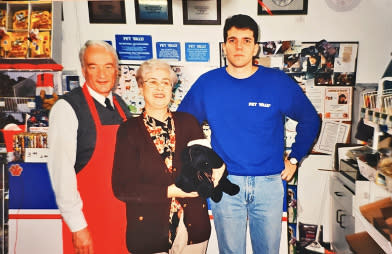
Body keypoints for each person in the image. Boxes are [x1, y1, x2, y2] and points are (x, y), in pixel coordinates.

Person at [178, 14, 321, 254]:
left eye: (246, 40)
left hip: (269, 185)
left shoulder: (276, 82)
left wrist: (295, 158)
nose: (239, 46)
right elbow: (183, 124)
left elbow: (310, 119)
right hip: (225, 183)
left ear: (255, 47)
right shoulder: (208, 84)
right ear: (224, 46)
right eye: (232, 40)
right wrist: (199, 163)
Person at [112, 59, 217, 254]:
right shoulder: (129, 131)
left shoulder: (189, 123)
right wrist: (170, 192)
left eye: (165, 82)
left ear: (172, 88)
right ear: (141, 87)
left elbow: (205, 166)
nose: (159, 88)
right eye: (152, 81)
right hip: (148, 232)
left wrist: (213, 174)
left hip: (193, 228)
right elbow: (122, 188)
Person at [47, 40, 131, 254]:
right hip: (89, 220)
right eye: (93, 67)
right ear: (84, 70)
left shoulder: (120, 105)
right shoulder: (67, 108)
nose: (102, 74)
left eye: (108, 66)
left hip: (123, 218)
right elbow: (61, 173)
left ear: (117, 70)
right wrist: (77, 226)